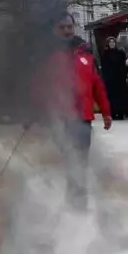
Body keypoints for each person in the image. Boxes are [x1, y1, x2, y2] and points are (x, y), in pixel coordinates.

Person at [50, 13, 112, 209]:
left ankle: (79, 201)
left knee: (81, 160)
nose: (67, 30)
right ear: (55, 30)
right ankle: (69, 199)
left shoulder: (86, 53)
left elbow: (97, 85)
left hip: (83, 117)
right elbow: (41, 87)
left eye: (69, 26)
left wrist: (106, 112)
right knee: (68, 158)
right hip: (61, 118)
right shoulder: (50, 55)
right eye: (62, 27)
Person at [99, 37, 128, 120]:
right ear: (108, 43)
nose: (112, 43)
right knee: (111, 97)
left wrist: (123, 75)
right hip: (110, 79)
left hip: (119, 79)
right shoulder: (105, 54)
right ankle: (113, 113)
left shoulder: (120, 53)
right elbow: (104, 67)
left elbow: (123, 65)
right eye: (110, 42)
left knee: (120, 97)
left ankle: (121, 113)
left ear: (115, 43)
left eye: (113, 42)